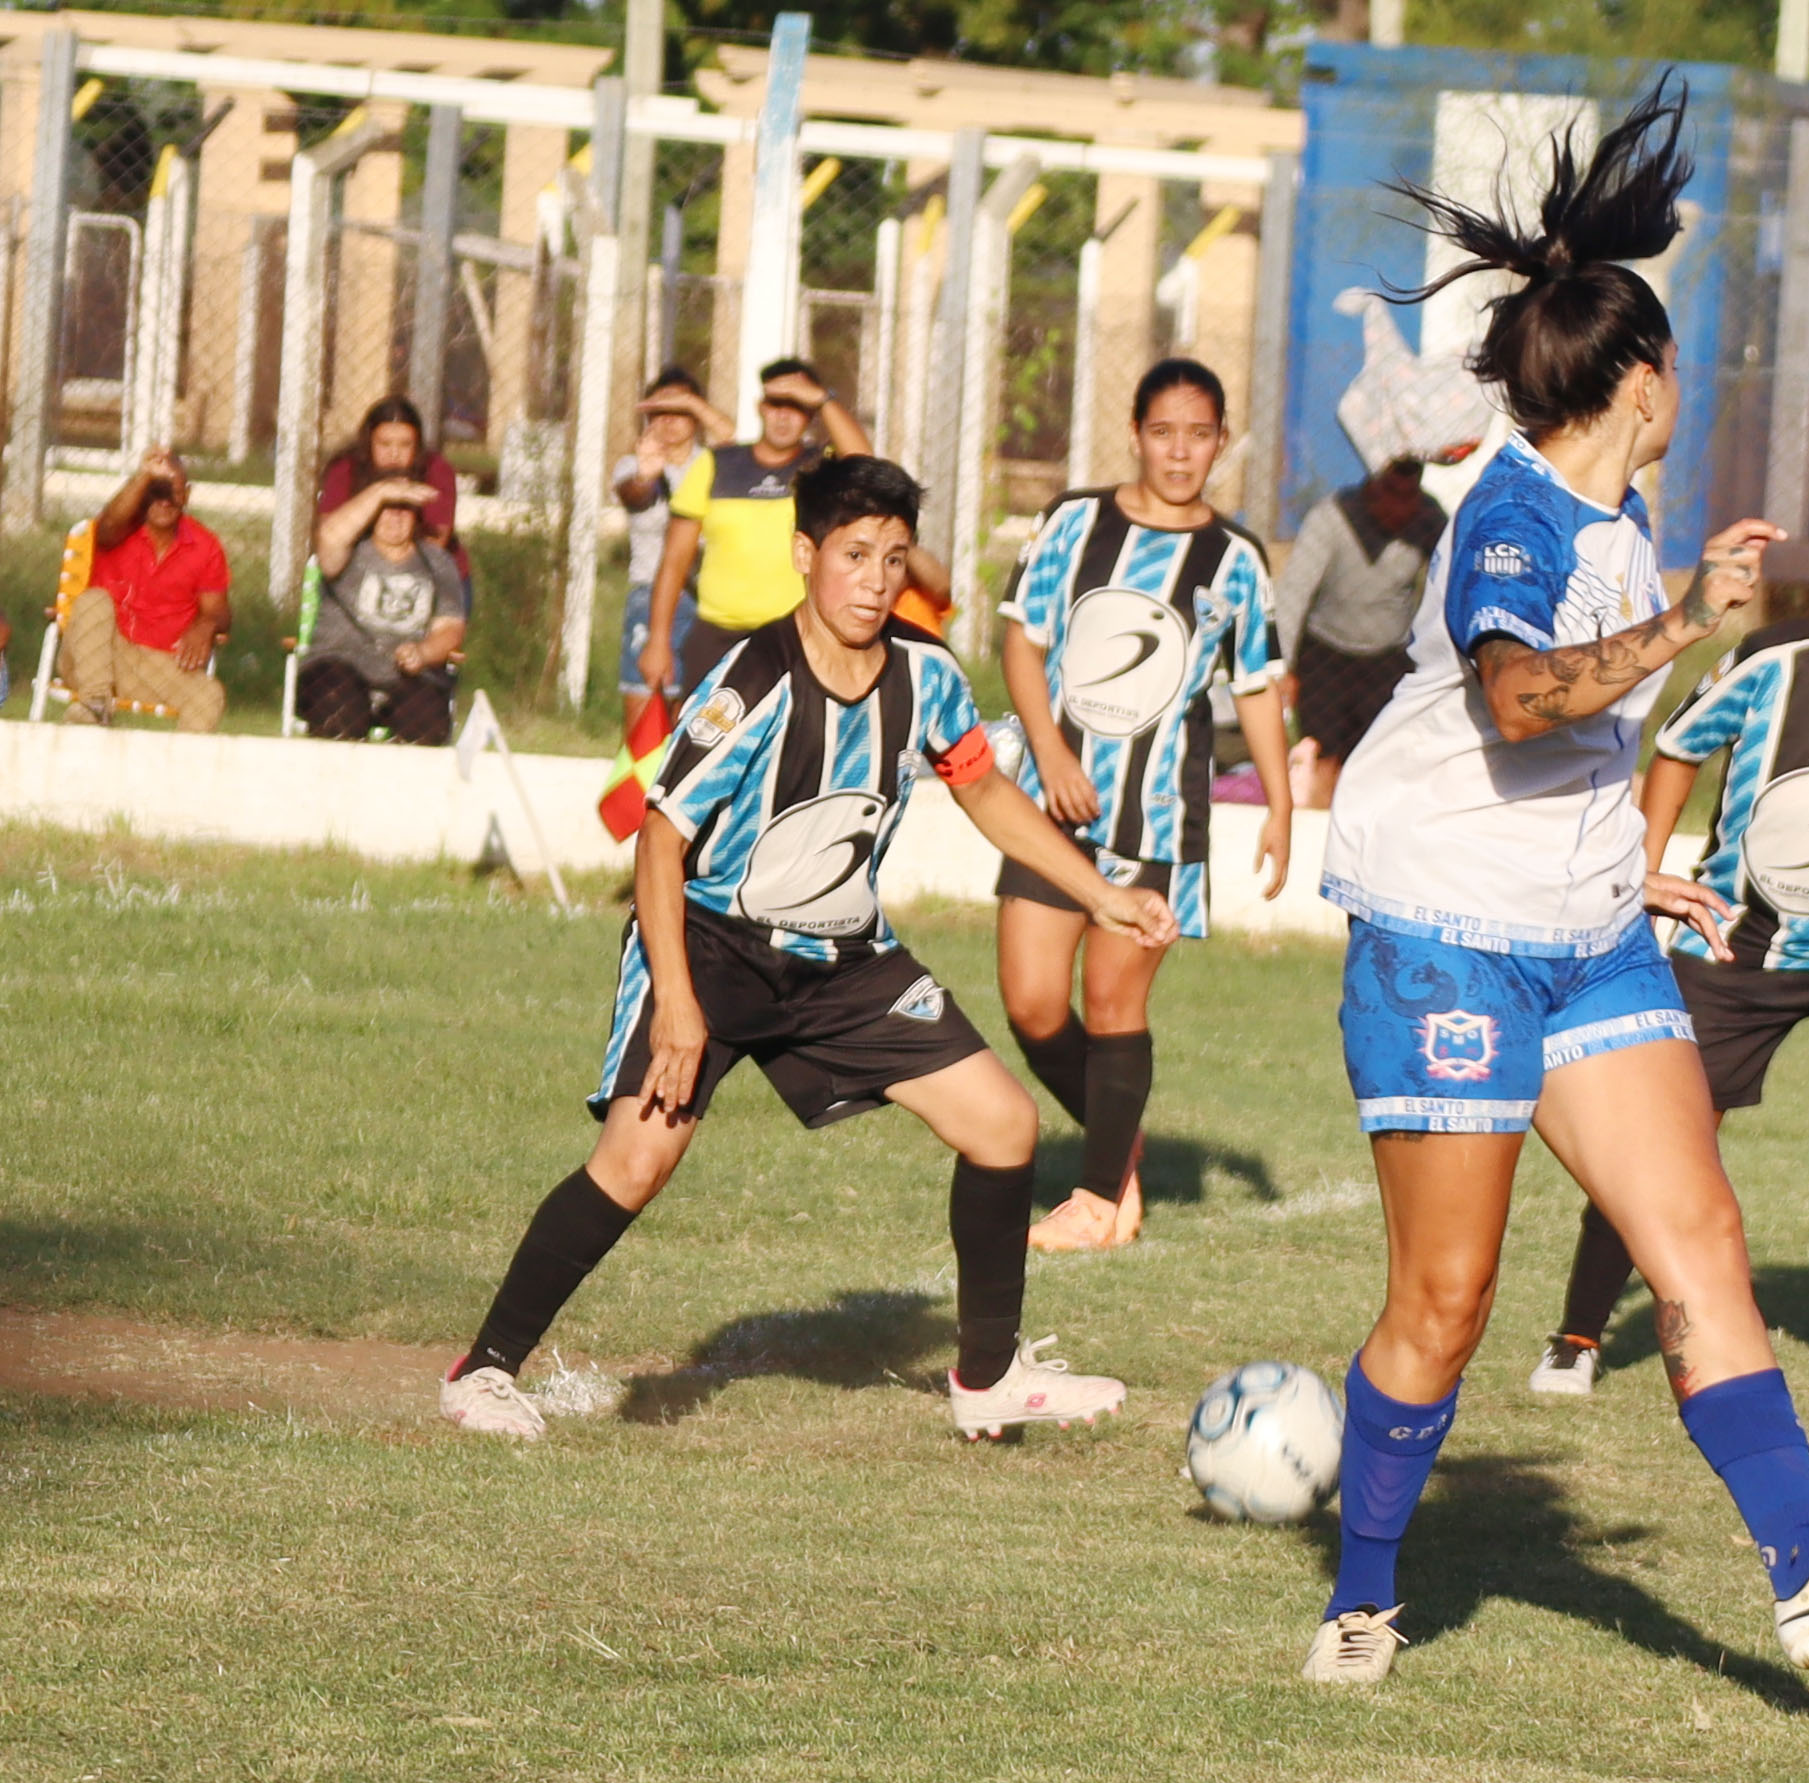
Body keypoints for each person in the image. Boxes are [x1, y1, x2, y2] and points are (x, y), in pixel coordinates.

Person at [1300, 85, 1809, 1687]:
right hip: (1445, 945)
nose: (1690, 391)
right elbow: (1524, 697)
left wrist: (1630, 860)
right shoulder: (1509, 511)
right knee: (1447, 1303)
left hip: (1587, 943)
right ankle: (1362, 1597)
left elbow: (1577, 746)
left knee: (1702, 1244)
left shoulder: (1617, 511)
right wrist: (1682, 628)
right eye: (1683, 369)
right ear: (1641, 376)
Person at [436, 453, 1170, 1445]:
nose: (874, 577)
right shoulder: (755, 679)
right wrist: (683, 1006)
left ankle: (986, 1378)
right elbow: (661, 837)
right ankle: (482, 1370)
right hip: (710, 947)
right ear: (805, 555)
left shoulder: (927, 673)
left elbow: (987, 791)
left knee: (1002, 1125)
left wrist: (1102, 895)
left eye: (894, 556)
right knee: (638, 1157)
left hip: (846, 961)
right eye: (854, 552)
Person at [1532, 476, 1809, 1396]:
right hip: (1731, 946)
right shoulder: (1769, 662)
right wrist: (1641, 874)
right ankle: (1580, 1336)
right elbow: (1676, 748)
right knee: (1661, 1138)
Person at [987, 358, 1295, 1252]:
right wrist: (1047, 754)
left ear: (1221, 442)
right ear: (1135, 432)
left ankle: (1097, 1199)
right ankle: (1119, 1143)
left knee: (1115, 1005)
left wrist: (1277, 803)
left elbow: (1261, 686)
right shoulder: (1074, 522)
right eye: (1164, 431)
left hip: (1157, 818)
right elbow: (1022, 640)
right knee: (1033, 1004)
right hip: (1055, 809)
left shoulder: (1235, 558)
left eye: (1199, 434)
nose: (1180, 450)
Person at [643, 359, 878, 702]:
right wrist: (658, 640)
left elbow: (866, 465)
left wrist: (823, 399)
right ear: (760, 408)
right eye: (776, 404)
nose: (784, 416)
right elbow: (675, 560)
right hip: (717, 637)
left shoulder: (821, 469)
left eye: (797, 407)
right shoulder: (716, 463)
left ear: (811, 415)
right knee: (704, 745)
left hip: (795, 638)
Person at [1279, 451, 1447, 807]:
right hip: (1326, 653)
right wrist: (1284, 668)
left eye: (1409, 496)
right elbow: (1294, 592)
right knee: (1321, 758)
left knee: (1371, 764)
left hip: (1387, 659)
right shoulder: (1331, 517)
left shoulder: (1431, 520)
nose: (1400, 507)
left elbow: (1450, 585)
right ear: (1372, 488)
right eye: (1391, 493)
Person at [55, 448, 230, 732]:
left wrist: (206, 624)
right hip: (95, 656)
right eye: (153, 490)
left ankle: (177, 775)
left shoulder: (205, 546)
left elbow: (219, 611)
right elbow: (108, 525)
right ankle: (94, 706)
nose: (162, 501)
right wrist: (145, 476)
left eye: (170, 491)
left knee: (209, 695)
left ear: (186, 494)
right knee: (93, 601)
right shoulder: (119, 527)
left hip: (154, 665)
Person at [298, 474, 467, 744]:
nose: (396, 517)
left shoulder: (438, 563)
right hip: (337, 665)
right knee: (338, 706)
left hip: (409, 676)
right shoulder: (348, 551)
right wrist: (379, 490)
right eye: (387, 507)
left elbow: (450, 628)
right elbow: (328, 537)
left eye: (404, 509)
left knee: (426, 719)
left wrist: (423, 653)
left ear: (416, 515)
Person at [612, 370, 725, 727]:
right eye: (661, 411)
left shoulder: (714, 464)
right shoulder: (635, 465)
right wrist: (647, 474)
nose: (671, 421)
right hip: (652, 596)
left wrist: (694, 402)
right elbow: (633, 494)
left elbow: (733, 438)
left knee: (694, 717)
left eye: (681, 411)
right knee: (645, 713)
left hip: (708, 598)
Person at [316, 395, 470, 584]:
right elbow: (330, 534)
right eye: (385, 444)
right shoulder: (346, 468)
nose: (394, 454)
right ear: (369, 442)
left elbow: (436, 542)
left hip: (428, 575)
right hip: (355, 571)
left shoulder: (436, 470)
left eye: (405, 445)